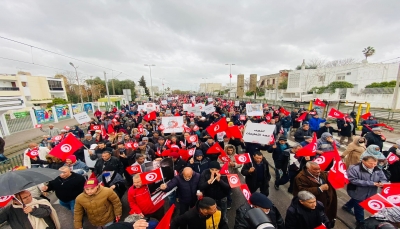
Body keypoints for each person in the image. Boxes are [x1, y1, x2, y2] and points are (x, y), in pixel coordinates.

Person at [342, 156, 388, 227]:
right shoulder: (354, 168)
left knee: (357, 200)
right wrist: (372, 183)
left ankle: (347, 206)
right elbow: (353, 180)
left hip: (371, 192)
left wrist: (382, 183)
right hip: (357, 190)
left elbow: (383, 178)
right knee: (360, 205)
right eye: (370, 163)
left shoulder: (377, 169)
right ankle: (360, 221)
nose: (373, 166)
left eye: (375, 164)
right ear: (363, 161)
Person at [293, 161, 338, 226]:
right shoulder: (300, 177)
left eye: (319, 169)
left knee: (326, 216)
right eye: (315, 169)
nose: (318, 171)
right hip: (313, 204)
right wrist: (319, 189)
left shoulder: (321, 173)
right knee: (315, 221)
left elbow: (329, 178)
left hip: (326, 202)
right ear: (308, 169)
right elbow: (302, 191)